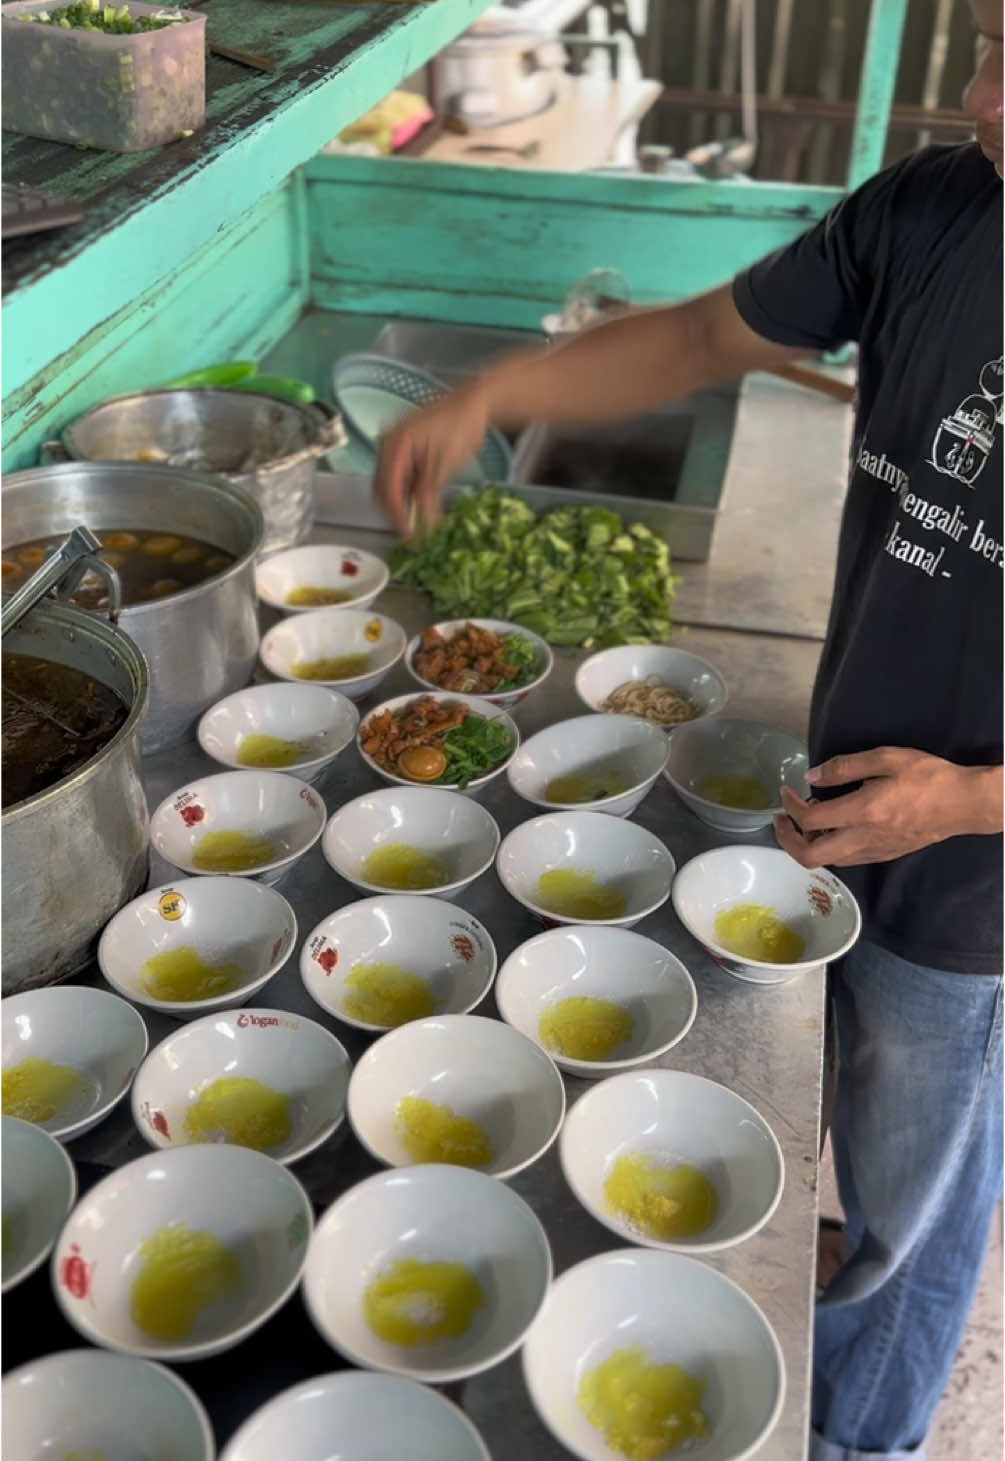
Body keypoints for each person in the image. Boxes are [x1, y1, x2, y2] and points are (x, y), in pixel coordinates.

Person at [375, 5, 1004, 1455]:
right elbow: (713, 333)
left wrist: (965, 802)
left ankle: (865, 1433)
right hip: (837, 790)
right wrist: (495, 395)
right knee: (828, 1102)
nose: (974, 96)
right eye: (985, 40)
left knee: (919, 1187)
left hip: (974, 868)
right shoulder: (930, 209)